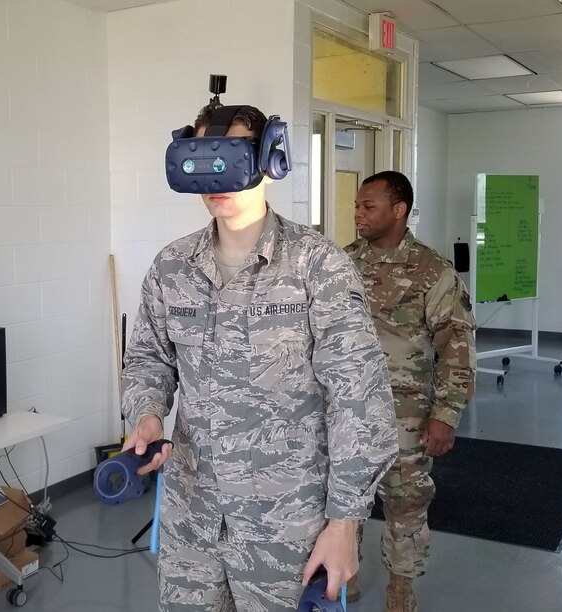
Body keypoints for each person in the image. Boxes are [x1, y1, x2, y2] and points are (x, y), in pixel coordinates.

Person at [120, 102, 398, 610]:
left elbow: (359, 399)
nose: (214, 177)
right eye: (201, 159)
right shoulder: (171, 267)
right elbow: (148, 359)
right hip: (193, 517)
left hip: (285, 523)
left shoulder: (318, 265)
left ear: (270, 160)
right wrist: (147, 415)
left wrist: (344, 524)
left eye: (231, 158)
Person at [343, 171, 476, 612]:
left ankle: (401, 584)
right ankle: (346, 570)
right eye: (357, 206)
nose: (358, 214)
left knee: (406, 498)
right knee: (343, 492)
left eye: (369, 206)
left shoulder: (432, 270)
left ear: (398, 210)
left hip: (406, 412)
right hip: (343, 408)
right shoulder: (341, 264)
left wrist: (446, 415)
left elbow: (456, 345)